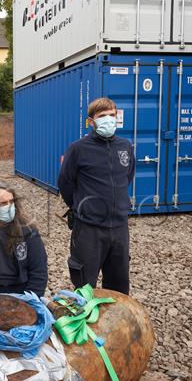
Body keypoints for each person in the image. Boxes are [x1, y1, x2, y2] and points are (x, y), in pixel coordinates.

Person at [57, 97, 135, 294]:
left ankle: (115, 324)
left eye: (112, 115)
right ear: (91, 122)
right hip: (89, 230)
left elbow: (127, 177)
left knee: (118, 287)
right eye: (102, 116)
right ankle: (84, 323)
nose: (108, 119)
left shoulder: (125, 146)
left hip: (119, 228)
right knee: (84, 287)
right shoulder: (78, 149)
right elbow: (65, 183)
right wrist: (81, 207)